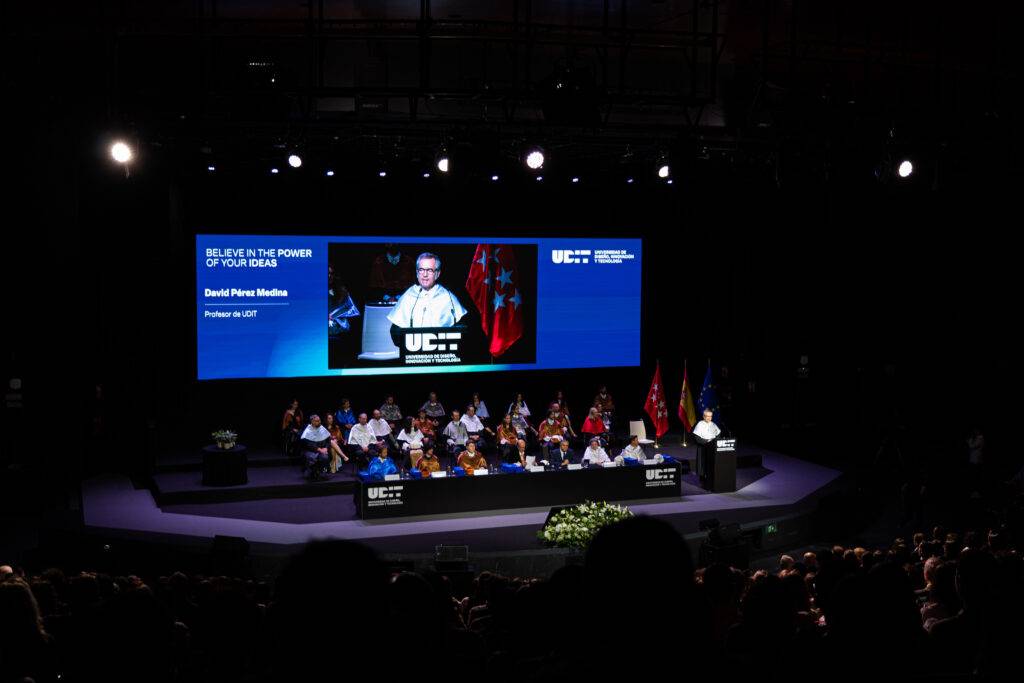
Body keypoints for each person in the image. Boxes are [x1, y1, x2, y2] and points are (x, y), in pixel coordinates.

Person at [386, 252, 468, 329]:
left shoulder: (447, 297)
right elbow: (396, 331)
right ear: (417, 273)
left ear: (437, 274)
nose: (425, 275)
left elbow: (459, 330)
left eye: (429, 270)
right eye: (421, 270)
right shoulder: (408, 295)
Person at [692, 408, 721, 486]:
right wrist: (706, 442)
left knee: (709, 464)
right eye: (707, 416)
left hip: (711, 448)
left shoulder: (713, 424)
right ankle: (702, 479)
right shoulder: (700, 424)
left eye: (710, 416)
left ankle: (710, 478)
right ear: (704, 416)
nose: (709, 418)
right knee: (702, 464)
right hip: (703, 447)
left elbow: (718, 434)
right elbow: (697, 437)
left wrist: (714, 441)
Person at [299, 415, 332, 479]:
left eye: (319, 420)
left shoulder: (322, 428)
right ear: (312, 422)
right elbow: (308, 444)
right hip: (311, 450)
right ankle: (311, 473)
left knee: (324, 457)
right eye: (317, 421)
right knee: (312, 457)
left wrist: (326, 447)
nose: (319, 422)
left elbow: (328, 441)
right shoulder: (308, 430)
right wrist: (319, 449)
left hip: (322, 449)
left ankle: (321, 472)